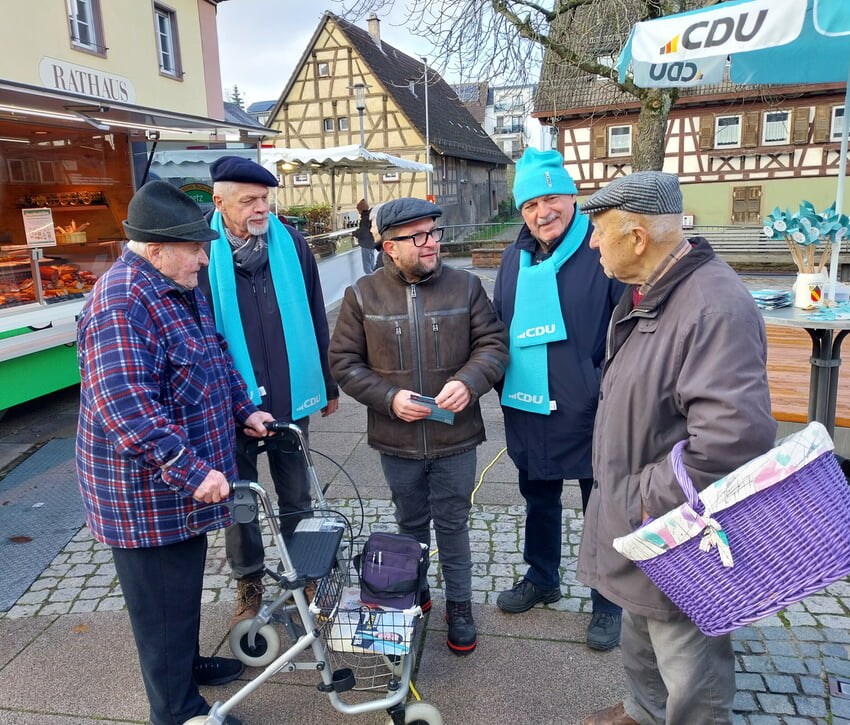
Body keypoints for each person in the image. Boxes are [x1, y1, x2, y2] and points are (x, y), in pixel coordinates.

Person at [576, 171, 777, 725]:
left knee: (688, 653)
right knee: (641, 624)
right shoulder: (654, 292)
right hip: (651, 522)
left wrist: (644, 496)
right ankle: (643, 713)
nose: (591, 242)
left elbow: (732, 440)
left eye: (598, 229)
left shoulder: (712, 306)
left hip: (679, 526)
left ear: (637, 237)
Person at [76, 180, 276, 725]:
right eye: (194, 247)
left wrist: (243, 408)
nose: (204, 255)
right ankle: (177, 711)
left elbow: (214, 354)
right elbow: (127, 412)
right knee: (162, 607)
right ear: (156, 248)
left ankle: (184, 665)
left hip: (178, 491)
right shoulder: (121, 304)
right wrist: (192, 472)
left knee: (180, 595)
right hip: (146, 496)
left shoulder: (176, 285)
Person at [329, 197, 509, 655]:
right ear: (390, 247)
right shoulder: (361, 296)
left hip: (457, 437)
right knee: (409, 524)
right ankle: (415, 592)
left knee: (453, 524)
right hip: (397, 440)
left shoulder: (466, 287)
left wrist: (469, 382)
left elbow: (493, 345)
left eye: (434, 233)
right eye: (419, 237)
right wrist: (389, 398)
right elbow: (344, 363)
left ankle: (461, 606)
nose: (432, 244)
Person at [198, 156, 340, 629]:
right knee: (240, 499)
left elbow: (317, 312)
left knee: (296, 490)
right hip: (228, 402)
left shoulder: (291, 243)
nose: (262, 209)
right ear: (219, 202)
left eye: (265, 199)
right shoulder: (200, 250)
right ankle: (249, 582)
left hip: (288, 390)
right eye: (249, 201)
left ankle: (306, 570)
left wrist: (327, 379)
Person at [493, 148, 626, 651]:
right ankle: (542, 576)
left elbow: (626, 331)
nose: (541, 212)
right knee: (539, 499)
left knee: (602, 506)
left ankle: (608, 601)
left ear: (572, 197)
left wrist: (596, 384)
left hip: (591, 408)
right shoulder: (514, 259)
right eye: (530, 204)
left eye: (551, 198)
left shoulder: (601, 251)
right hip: (531, 406)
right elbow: (498, 323)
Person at [353, 197, 375, 274]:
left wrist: (355, 233)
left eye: (358, 210)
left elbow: (363, 232)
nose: (358, 212)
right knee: (372, 266)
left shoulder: (364, 219)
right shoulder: (369, 217)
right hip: (371, 243)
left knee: (367, 268)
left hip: (366, 245)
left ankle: (372, 282)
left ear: (361, 209)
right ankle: (375, 280)